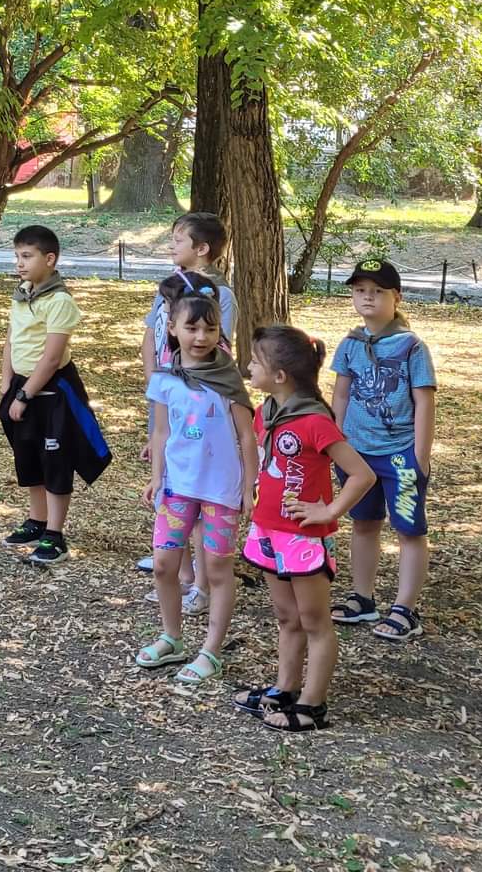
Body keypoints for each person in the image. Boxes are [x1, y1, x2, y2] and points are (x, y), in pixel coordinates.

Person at [234, 325, 376, 733]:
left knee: (315, 621)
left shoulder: (315, 421)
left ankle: (313, 705)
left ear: (280, 376)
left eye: (255, 362)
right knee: (286, 616)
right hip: (269, 531)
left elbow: (361, 475)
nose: (248, 367)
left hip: (303, 537)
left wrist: (329, 509)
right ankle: (285, 689)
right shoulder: (266, 413)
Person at [135, 294, 253, 689]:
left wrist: (249, 487)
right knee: (164, 564)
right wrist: (157, 477)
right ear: (172, 329)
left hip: (221, 490)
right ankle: (172, 637)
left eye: (209, 328)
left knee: (217, 570)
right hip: (177, 487)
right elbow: (161, 432)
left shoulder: (228, 380)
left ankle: (211, 651)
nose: (200, 337)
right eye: (191, 327)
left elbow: (247, 437)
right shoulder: (164, 379)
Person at [328, 259, 436, 642]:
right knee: (363, 523)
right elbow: (341, 395)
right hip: (357, 454)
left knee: (408, 529)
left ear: (397, 297)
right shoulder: (350, 344)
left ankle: (406, 608)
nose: (368, 298)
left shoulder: (412, 347)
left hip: (399, 453)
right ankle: (363, 597)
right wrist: (336, 442)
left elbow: (424, 401)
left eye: (378, 291)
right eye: (360, 290)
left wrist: (420, 455)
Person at [0, 225, 110, 567]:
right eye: (17, 256)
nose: (19, 263)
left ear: (49, 259)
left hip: (52, 392)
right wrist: (7, 384)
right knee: (28, 455)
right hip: (21, 386)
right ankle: (37, 520)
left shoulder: (60, 301)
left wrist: (25, 395)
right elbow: (11, 339)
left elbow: (51, 358)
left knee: (55, 460)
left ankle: (55, 534)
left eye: (27, 256)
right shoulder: (22, 292)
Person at [136, 212, 234, 592]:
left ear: (202, 248)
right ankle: (175, 558)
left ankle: (200, 578)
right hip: (168, 394)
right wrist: (156, 383)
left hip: (199, 403)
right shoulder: (168, 287)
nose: (172, 246)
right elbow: (151, 335)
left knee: (196, 482)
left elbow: (218, 349)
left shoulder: (220, 295)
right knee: (168, 475)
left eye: (179, 240)